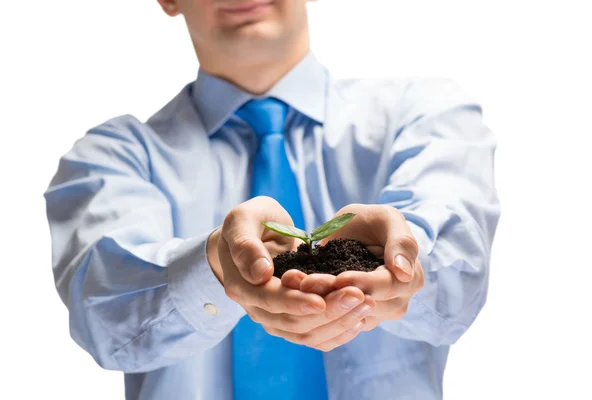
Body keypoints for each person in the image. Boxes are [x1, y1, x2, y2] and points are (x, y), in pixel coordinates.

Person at [44, 0, 500, 399]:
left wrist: (399, 261)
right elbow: (103, 318)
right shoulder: (111, 158)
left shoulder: (423, 114)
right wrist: (218, 266)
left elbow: (459, 277)